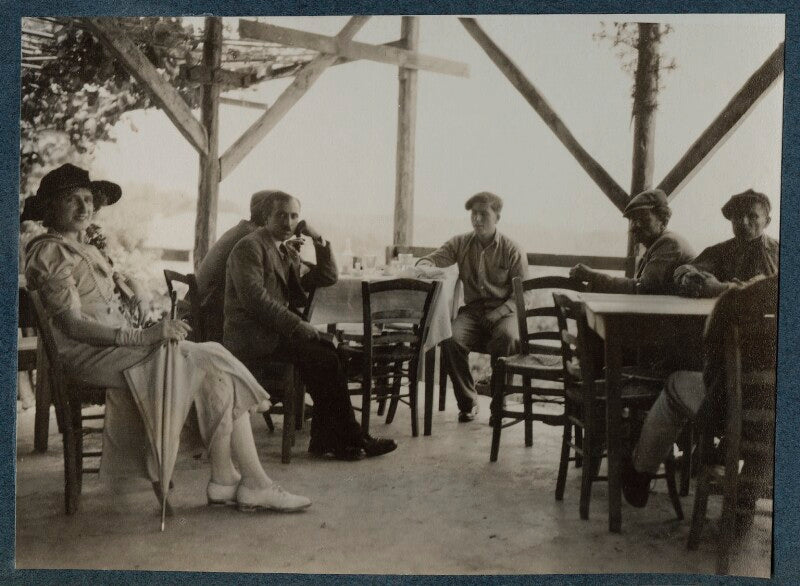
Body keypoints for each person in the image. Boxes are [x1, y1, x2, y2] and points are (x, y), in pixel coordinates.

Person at [23, 163, 311, 513]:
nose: (84, 208)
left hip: (114, 349)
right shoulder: (49, 252)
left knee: (211, 359)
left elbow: (102, 300)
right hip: (89, 355)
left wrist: (136, 297)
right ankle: (249, 478)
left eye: (88, 199)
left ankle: (229, 479)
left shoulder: (84, 247)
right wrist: (141, 336)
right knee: (208, 358)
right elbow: (71, 325)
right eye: (72, 200)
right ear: (52, 207)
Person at [223, 190, 397, 461]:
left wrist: (317, 238)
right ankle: (350, 438)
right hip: (253, 337)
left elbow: (327, 276)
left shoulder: (284, 249)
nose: (288, 222)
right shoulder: (250, 247)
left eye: (294, 216)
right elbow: (255, 301)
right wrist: (297, 326)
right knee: (324, 359)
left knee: (336, 353)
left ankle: (325, 439)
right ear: (266, 216)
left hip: (275, 332)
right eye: (281, 215)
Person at [623, 275, 778, 532]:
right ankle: (744, 498)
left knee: (676, 384)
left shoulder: (741, 298)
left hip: (739, 418)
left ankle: (642, 472)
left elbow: (711, 370)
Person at [416, 191, 528, 422]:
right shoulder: (461, 242)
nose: (477, 219)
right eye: (473, 214)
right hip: (474, 312)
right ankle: (468, 401)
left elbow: (522, 295)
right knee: (450, 338)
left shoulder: (512, 250)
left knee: (507, 338)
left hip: (504, 312)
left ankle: (500, 403)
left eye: (483, 214)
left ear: (497, 217)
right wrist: (425, 264)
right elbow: (432, 259)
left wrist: (498, 313)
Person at [570, 188, 695, 294]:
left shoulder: (669, 243)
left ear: (663, 220)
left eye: (644, 218)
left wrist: (593, 277)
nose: (636, 226)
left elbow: (642, 288)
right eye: (633, 220)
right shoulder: (657, 245)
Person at [195, 190, 273, 343]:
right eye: (280, 214)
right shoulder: (251, 237)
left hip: (204, 308)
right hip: (214, 316)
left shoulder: (242, 229)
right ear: (267, 215)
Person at [674, 189, 778, 298]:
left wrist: (721, 288)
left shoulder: (778, 251)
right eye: (738, 216)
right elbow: (684, 269)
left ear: (767, 222)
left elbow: (774, 290)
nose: (744, 222)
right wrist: (688, 277)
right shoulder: (720, 250)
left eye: (752, 216)